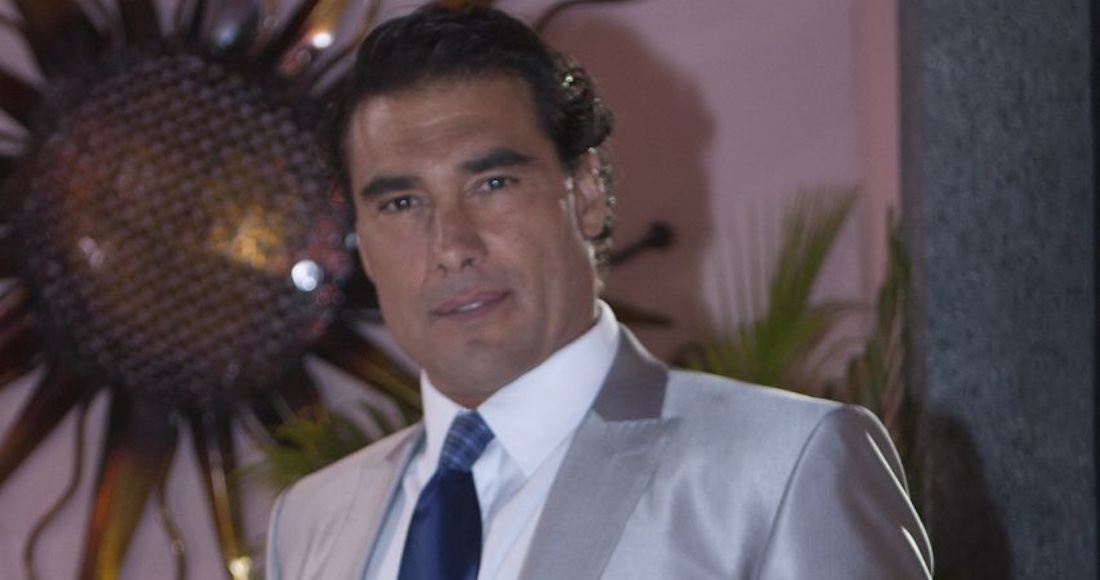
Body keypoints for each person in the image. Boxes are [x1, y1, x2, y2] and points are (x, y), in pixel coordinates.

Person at [266, 5, 933, 579]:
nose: (451, 246)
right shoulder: (310, 519)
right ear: (362, 244)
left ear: (585, 193)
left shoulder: (783, 468)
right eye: (402, 203)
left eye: (493, 184)